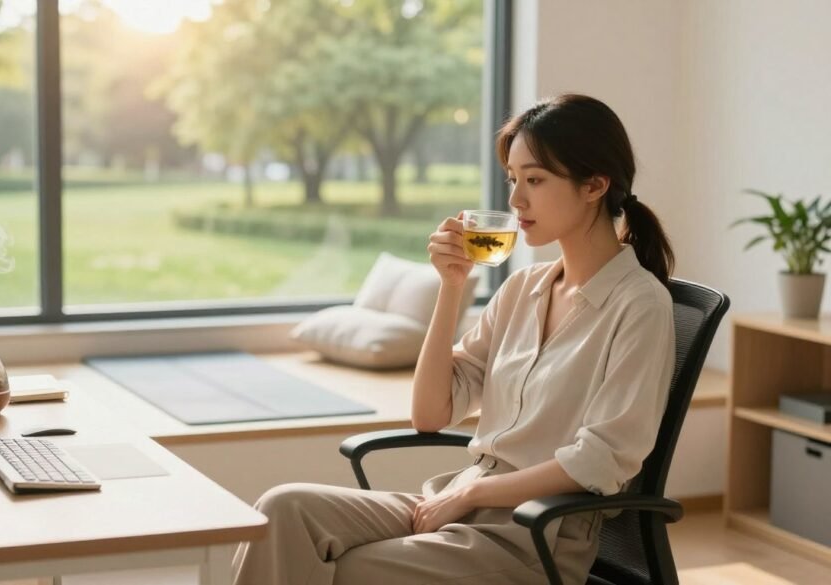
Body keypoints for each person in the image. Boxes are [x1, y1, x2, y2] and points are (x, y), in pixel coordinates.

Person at [232, 93, 677, 585]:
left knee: (348, 569)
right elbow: (431, 412)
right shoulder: (522, 289)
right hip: (461, 501)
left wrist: (471, 496)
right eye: (513, 179)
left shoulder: (640, 306)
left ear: (594, 185)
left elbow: (601, 460)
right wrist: (452, 287)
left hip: (536, 538)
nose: (515, 201)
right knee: (281, 511)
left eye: (535, 180)